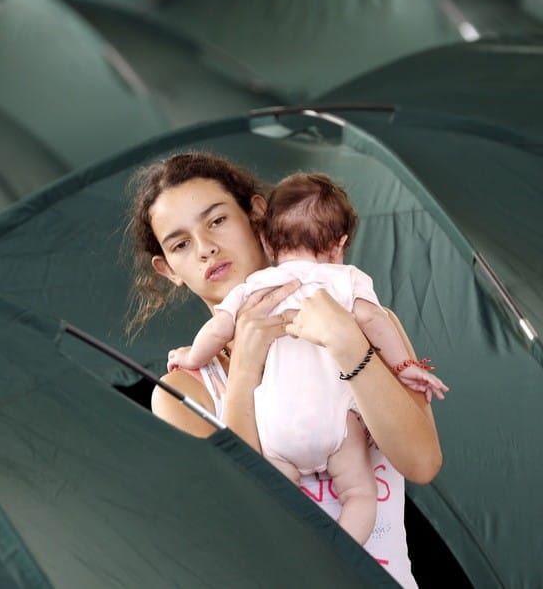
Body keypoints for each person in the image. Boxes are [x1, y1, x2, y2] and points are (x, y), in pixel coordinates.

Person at [126, 152, 442, 589]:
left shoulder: (368, 323)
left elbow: (422, 463)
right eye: (180, 244)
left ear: (257, 214)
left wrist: (348, 345)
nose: (205, 248)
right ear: (167, 269)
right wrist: (244, 371)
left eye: (217, 221)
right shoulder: (184, 390)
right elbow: (248, 523)